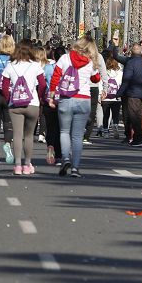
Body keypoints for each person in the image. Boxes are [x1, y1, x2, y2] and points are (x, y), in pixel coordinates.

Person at [50, 36, 99, 178]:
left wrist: (52, 95)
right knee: (77, 136)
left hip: (66, 98)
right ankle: (75, 168)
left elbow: (55, 77)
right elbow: (96, 79)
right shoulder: (90, 62)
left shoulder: (65, 58)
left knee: (64, 132)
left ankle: (65, 158)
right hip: (83, 100)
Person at [0, 42, 45, 175]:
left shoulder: (10, 66)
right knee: (29, 135)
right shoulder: (35, 65)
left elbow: (4, 86)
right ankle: (27, 165)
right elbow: (42, 84)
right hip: (32, 103)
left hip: (15, 105)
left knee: (17, 135)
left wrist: (9, 99)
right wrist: (39, 97)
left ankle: (18, 165)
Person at [119, 44, 142, 146]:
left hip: (133, 93)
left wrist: (120, 92)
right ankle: (139, 137)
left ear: (132, 52)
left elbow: (126, 79)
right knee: (138, 115)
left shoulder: (130, 63)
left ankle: (139, 138)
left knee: (134, 116)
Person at [98, 54, 123, 138]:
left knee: (106, 115)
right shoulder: (120, 73)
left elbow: (100, 83)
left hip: (105, 97)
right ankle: (115, 124)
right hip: (116, 97)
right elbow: (122, 84)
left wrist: (100, 95)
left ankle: (106, 131)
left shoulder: (103, 73)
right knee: (115, 114)